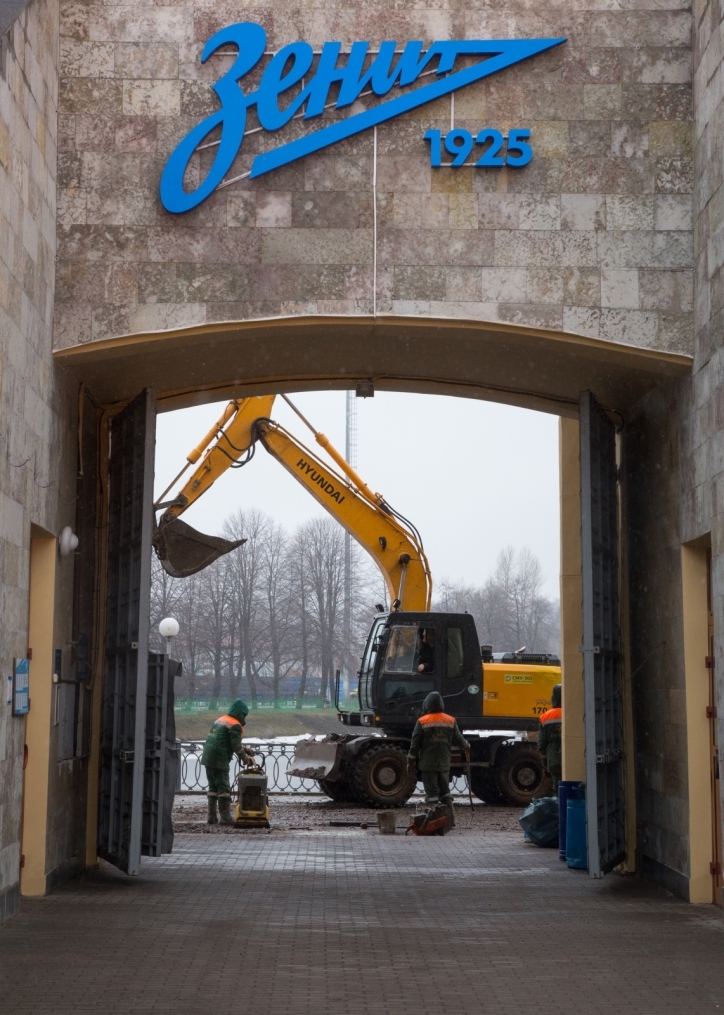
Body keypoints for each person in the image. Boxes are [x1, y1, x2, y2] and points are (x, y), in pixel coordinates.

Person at [407, 691, 469, 827]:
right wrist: (466, 746)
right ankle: (451, 821)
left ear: (427, 704)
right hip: (444, 764)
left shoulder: (422, 721)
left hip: (428, 765)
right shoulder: (450, 720)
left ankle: (436, 821)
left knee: (432, 793)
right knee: (445, 791)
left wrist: (410, 761)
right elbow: (459, 739)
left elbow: (415, 744)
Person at [201, 698, 255, 825]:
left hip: (208, 757)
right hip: (220, 759)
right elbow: (235, 746)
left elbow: (227, 740)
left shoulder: (221, 720)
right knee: (223, 787)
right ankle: (225, 818)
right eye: (244, 715)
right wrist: (246, 759)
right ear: (240, 713)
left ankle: (211, 817)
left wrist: (245, 749)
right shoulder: (235, 724)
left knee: (213, 787)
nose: (244, 719)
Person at [538, 683, 562, 792]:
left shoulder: (545, 717)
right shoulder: (573, 713)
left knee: (558, 789)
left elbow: (542, 744)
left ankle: (559, 807)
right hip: (571, 759)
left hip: (554, 760)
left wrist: (545, 765)